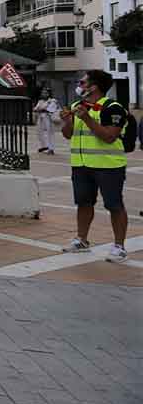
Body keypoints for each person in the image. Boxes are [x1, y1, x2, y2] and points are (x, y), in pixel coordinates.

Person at [60, 70, 130, 262]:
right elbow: (68, 134)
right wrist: (67, 121)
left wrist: (87, 119)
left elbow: (109, 136)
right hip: (81, 165)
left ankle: (119, 247)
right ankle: (81, 240)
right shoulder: (77, 106)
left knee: (114, 205)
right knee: (83, 203)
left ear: (94, 86)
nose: (79, 86)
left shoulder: (112, 107)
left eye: (82, 83)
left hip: (108, 166)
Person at [33, 88, 60, 155]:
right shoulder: (40, 101)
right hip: (41, 118)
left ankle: (51, 149)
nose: (44, 94)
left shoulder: (53, 101)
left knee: (49, 134)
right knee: (39, 133)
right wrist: (41, 109)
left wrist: (41, 109)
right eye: (43, 93)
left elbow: (49, 109)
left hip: (48, 118)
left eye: (46, 93)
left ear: (49, 94)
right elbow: (35, 109)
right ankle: (44, 146)